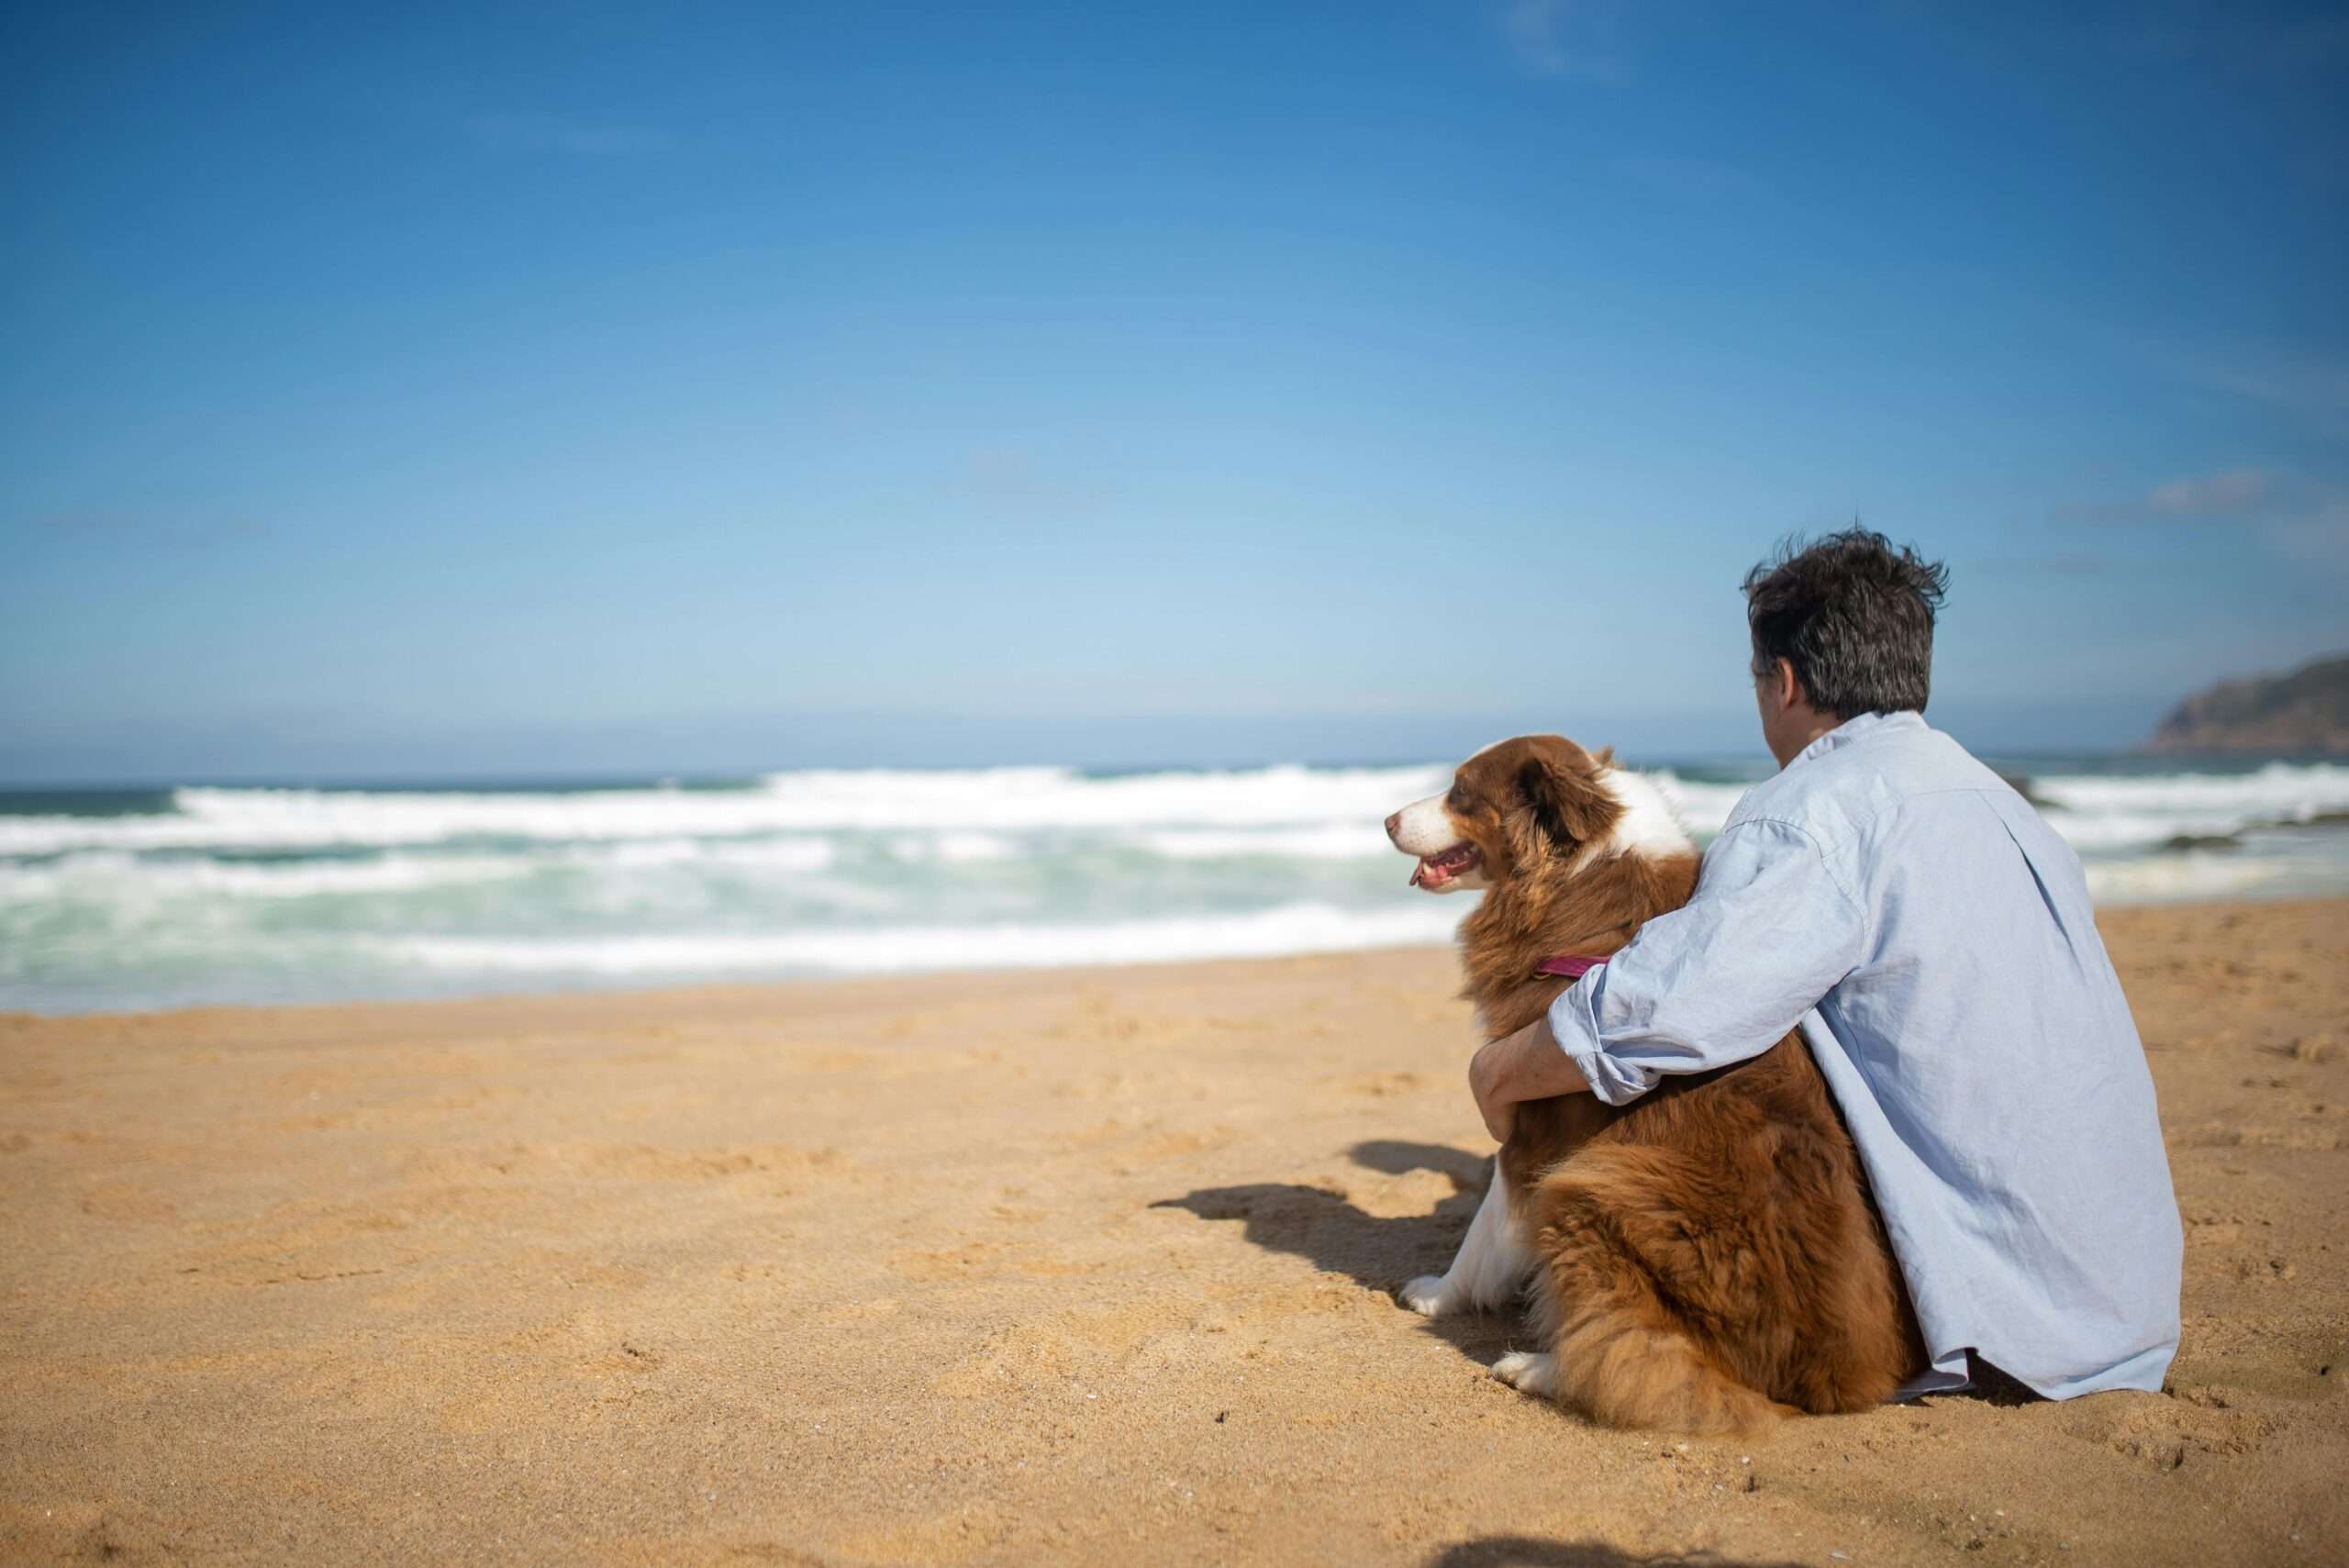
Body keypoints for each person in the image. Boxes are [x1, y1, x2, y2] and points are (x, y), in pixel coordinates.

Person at [1467, 528, 2183, 1399]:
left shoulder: (1811, 813)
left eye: (1757, 681)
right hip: (2129, 1305)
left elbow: (1670, 1008)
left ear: (1786, 682)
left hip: (2002, 1326)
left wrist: (1502, 1068)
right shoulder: (2007, 808)